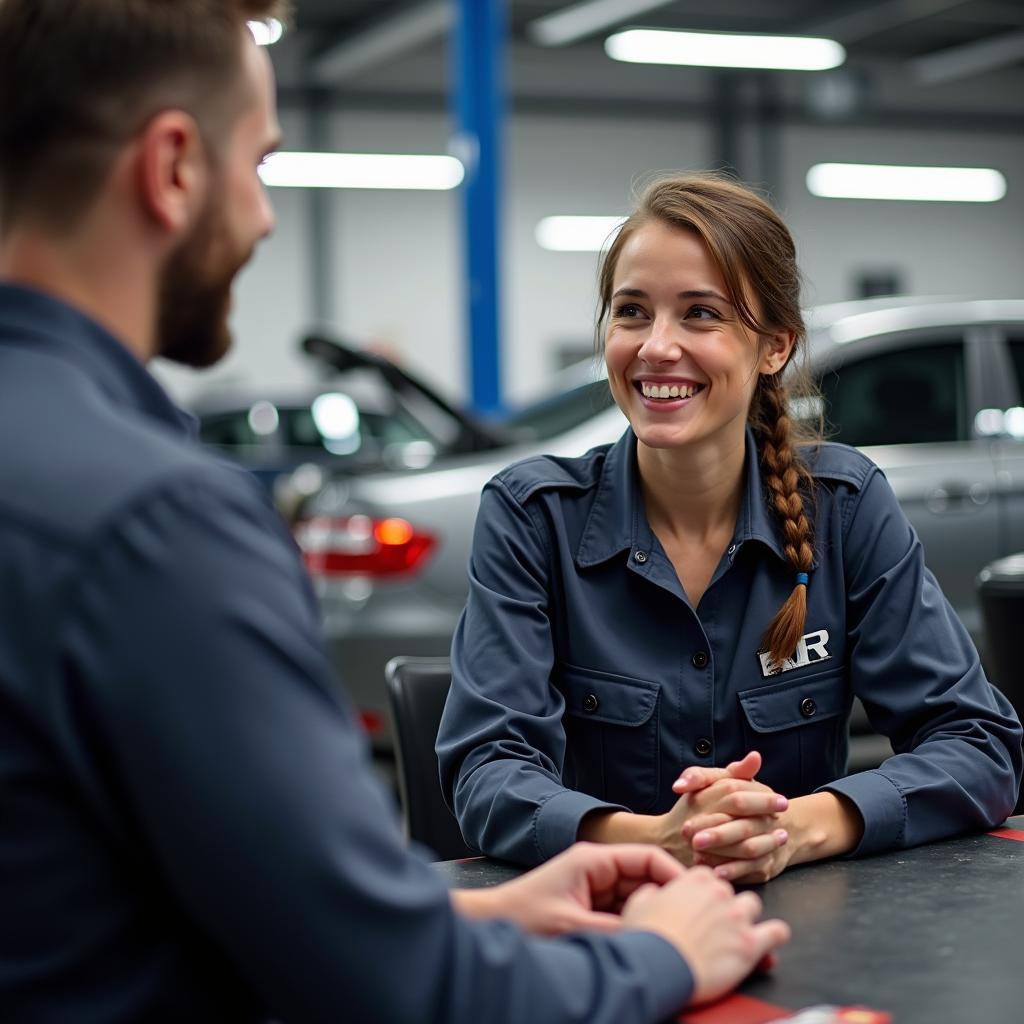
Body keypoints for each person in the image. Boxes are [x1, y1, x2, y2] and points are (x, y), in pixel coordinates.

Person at [0, 2, 791, 1021]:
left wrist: (475, 911)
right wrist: (664, 955)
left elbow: (122, 900)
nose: (263, 215)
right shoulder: (160, 522)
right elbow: (399, 991)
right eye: (260, 163)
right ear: (174, 168)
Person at [437, 172, 1023, 881]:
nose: (656, 347)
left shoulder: (845, 507)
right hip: (601, 936)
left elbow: (976, 743)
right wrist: (656, 842)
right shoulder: (532, 519)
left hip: (811, 934)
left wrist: (795, 829)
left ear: (774, 346)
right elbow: (489, 771)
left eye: (700, 314)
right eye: (631, 311)